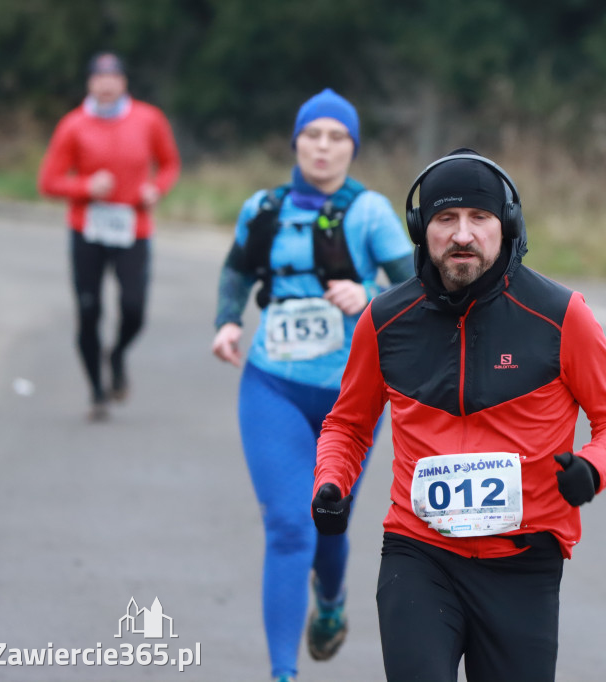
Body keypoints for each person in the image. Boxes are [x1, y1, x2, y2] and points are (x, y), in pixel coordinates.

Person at [312, 148, 606, 682]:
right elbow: (348, 424)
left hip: (523, 562)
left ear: (507, 225)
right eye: (446, 219)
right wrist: (332, 481)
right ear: (422, 229)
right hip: (418, 552)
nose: (462, 234)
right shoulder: (384, 320)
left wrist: (593, 466)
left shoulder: (561, 316)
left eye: (480, 218)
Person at [211, 88, 415, 682]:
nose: (323, 148)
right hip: (271, 383)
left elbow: (423, 290)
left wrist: (369, 294)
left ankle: (330, 598)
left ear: (352, 147)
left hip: (353, 397)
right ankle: (282, 673)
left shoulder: (370, 213)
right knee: (289, 525)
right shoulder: (264, 208)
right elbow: (237, 269)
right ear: (296, 142)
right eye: (312, 135)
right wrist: (226, 321)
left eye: (336, 138)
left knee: (328, 519)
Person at [37, 51, 181, 422]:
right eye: (98, 77)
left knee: (133, 308)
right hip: (88, 229)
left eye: (112, 76)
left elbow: (169, 164)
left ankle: (116, 354)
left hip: (133, 226)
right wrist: (87, 185)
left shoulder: (149, 120)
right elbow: (49, 181)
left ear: (124, 82)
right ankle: (98, 392)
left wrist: (157, 189)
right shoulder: (73, 125)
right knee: (89, 311)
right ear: (89, 83)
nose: (105, 83)